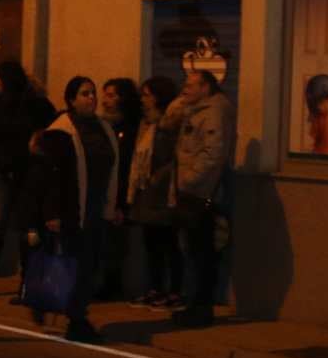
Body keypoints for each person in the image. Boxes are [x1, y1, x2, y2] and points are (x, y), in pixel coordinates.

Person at [33, 76, 120, 343]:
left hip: (96, 206)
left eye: (92, 93)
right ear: (71, 100)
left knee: (89, 264)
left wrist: (114, 204)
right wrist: (52, 213)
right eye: (84, 93)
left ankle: (69, 312)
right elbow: (51, 176)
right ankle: (75, 318)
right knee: (75, 264)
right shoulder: (61, 131)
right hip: (72, 209)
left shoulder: (103, 128)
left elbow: (113, 167)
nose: (91, 98)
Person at [0, 60, 57, 301]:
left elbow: (43, 132)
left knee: (25, 226)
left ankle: (26, 283)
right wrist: (1, 162)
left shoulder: (33, 104)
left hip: (27, 172)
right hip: (3, 171)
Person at [170, 70, 236, 327]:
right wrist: (181, 102)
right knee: (194, 251)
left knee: (202, 253)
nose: (185, 88)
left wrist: (189, 179)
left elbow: (213, 153)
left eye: (190, 85)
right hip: (193, 192)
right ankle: (195, 305)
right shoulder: (195, 109)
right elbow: (166, 122)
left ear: (206, 87)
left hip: (202, 193)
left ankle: (201, 308)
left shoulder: (214, 113)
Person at [126, 76, 184, 309]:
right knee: (151, 244)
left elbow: (173, 157)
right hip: (146, 190)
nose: (143, 99)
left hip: (163, 192)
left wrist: (158, 177)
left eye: (147, 95)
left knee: (169, 243)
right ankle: (155, 288)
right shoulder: (146, 123)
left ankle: (174, 291)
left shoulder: (168, 125)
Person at [97, 77, 142, 299]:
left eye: (112, 95)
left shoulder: (130, 129)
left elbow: (125, 165)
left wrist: (120, 201)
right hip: (102, 188)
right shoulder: (103, 126)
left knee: (114, 240)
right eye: (105, 95)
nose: (105, 100)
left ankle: (112, 285)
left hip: (118, 191)